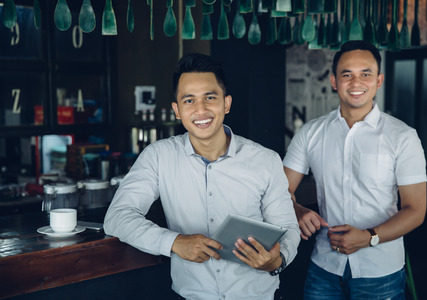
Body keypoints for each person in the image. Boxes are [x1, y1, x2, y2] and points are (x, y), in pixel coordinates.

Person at [104, 53, 300, 300]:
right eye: (189, 100)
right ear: (176, 110)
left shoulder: (266, 160)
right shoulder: (158, 156)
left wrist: (276, 261)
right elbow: (117, 217)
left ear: (226, 104)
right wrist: (173, 242)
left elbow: (288, 228)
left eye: (210, 97)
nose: (201, 109)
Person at [283, 40, 427, 299]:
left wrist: (369, 237)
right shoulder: (311, 133)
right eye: (347, 74)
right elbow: (278, 191)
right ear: (334, 81)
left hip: (380, 271)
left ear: (379, 80)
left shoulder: (403, 137)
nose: (356, 82)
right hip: (323, 267)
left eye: (366, 74)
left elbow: (416, 211)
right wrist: (296, 208)